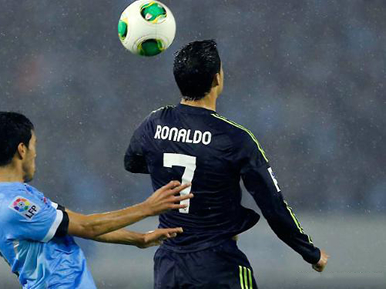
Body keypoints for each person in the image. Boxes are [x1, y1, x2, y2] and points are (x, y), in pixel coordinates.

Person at [124, 40, 329, 289]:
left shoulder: (154, 124)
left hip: (169, 267)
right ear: (217, 79)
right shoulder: (234, 139)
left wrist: (172, 166)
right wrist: (310, 251)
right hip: (218, 265)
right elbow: (272, 205)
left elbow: (131, 162)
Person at [0, 111, 193, 289]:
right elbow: (88, 227)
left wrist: (139, 239)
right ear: (22, 149)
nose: (36, 153)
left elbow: (79, 223)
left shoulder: (14, 195)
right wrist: (147, 208)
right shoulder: (12, 206)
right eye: (34, 145)